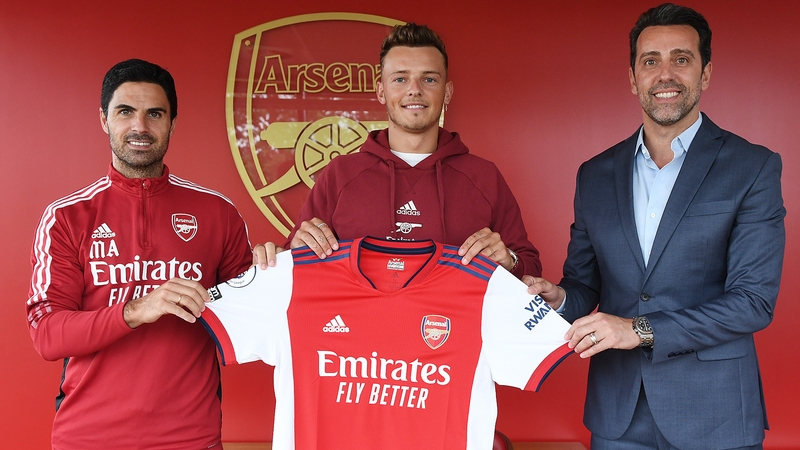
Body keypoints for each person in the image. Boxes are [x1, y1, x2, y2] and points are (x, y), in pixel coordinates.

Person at [525, 4, 785, 449]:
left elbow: (753, 302)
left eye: (681, 59)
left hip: (716, 415)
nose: (665, 74)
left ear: (704, 75)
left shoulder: (752, 167)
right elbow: (585, 283)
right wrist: (562, 297)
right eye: (651, 61)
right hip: (618, 417)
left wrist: (639, 329)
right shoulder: (595, 174)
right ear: (633, 78)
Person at [26, 59, 253, 449]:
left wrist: (283, 263)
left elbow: (252, 316)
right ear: (103, 119)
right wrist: (136, 310)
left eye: (155, 114)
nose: (140, 127)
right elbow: (47, 335)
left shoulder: (218, 213)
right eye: (125, 112)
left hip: (190, 438)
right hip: (88, 437)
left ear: (172, 123)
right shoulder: (66, 216)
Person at [257, 23, 540, 278]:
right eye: (400, 79)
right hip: (359, 333)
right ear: (381, 91)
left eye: (429, 79)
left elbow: (529, 268)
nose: (414, 90)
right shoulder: (341, 173)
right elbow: (296, 259)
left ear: (448, 92)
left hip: (451, 334)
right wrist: (292, 250)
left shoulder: (483, 176)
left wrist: (510, 261)